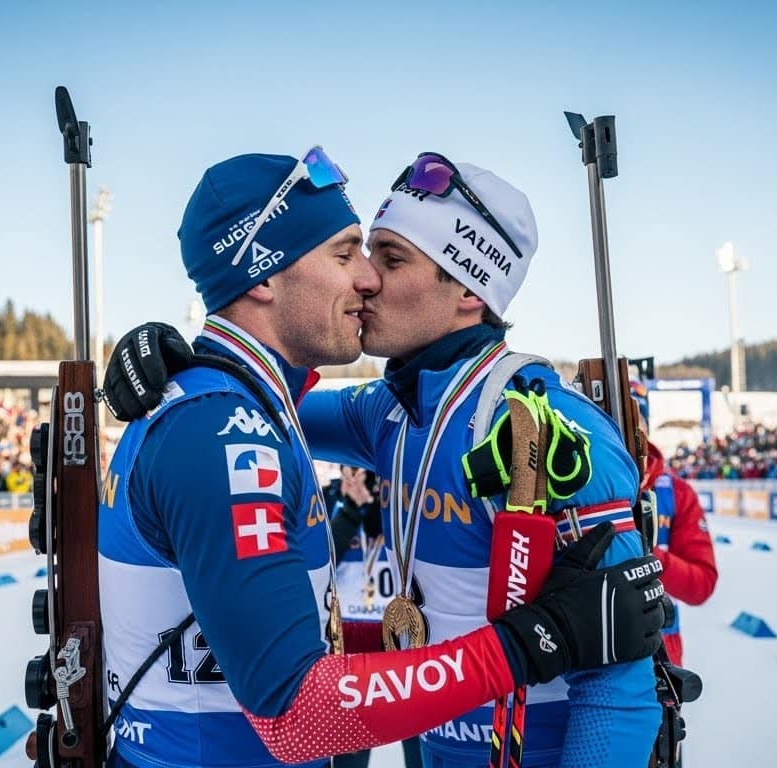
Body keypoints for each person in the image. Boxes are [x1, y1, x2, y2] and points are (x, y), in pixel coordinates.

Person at [96, 149, 667, 768]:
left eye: (390, 259)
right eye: (354, 253)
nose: (367, 277)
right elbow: (253, 404)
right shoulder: (387, 413)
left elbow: (619, 686)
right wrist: (175, 355)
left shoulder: (546, 427)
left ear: (470, 290)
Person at [329, 467, 422, 768]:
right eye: (348, 469)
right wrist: (351, 508)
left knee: (417, 736)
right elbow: (325, 555)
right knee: (348, 750)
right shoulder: (329, 497)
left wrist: (371, 502)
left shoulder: (396, 500)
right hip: (349, 643)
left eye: (361, 470)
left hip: (400, 638)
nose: (355, 476)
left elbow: (381, 531)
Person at [630, 381, 718, 666]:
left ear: (645, 427)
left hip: (661, 657)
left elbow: (702, 584)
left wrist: (647, 557)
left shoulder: (677, 493)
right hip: (594, 659)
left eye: (634, 422)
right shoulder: (584, 487)